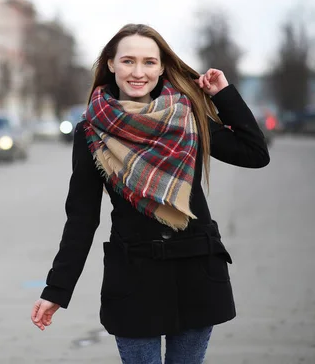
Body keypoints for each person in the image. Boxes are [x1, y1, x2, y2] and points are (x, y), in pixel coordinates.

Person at [30, 24, 270, 364]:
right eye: (128, 61)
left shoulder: (187, 117)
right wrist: (57, 289)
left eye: (149, 62)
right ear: (111, 65)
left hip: (196, 270)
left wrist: (223, 94)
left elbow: (255, 153)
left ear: (161, 67)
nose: (138, 72)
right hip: (134, 277)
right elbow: (82, 216)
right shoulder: (91, 130)